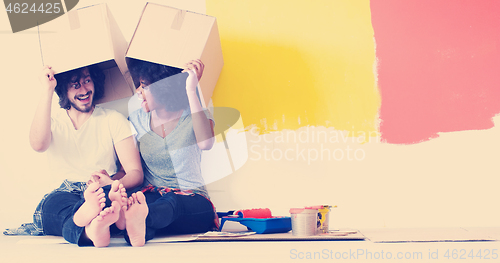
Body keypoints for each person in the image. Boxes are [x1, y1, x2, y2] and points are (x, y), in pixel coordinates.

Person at [4, 64, 145, 247]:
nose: (85, 89)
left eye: (87, 81)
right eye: (75, 84)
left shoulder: (113, 119)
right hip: (65, 194)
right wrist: (48, 90)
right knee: (51, 207)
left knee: (105, 201)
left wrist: (111, 183)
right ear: (63, 89)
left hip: (102, 191)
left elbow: (135, 172)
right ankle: (100, 225)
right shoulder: (53, 123)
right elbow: (38, 145)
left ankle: (94, 228)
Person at [125, 58, 218, 246]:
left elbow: (206, 143)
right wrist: (110, 181)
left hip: (191, 200)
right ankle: (139, 225)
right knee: (144, 203)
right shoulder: (136, 121)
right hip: (152, 196)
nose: (138, 92)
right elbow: (129, 168)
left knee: (171, 203)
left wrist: (191, 90)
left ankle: (141, 220)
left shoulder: (195, 112)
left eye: (144, 85)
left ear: (163, 88)